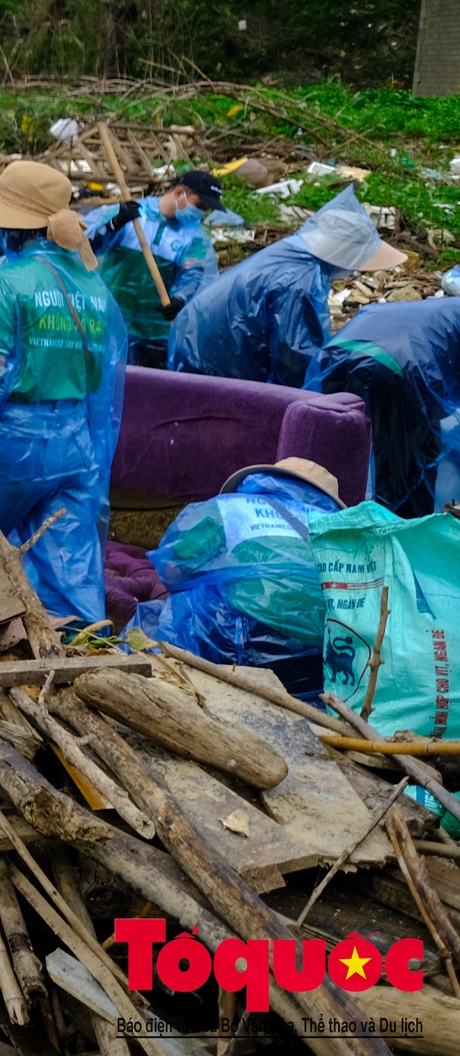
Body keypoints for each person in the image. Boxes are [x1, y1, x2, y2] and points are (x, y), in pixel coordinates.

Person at [0, 161, 128, 626]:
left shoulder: (5, 283)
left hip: (8, 449)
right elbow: (101, 385)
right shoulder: (93, 289)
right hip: (76, 449)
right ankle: (88, 668)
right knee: (73, 584)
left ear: (11, 227)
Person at [126, 458, 340, 700]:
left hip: (235, 646)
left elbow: (175, 566)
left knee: (167, 614)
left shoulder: (231, 508)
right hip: (318, 662)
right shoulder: (341, 533)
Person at [169, 187, 403, 387]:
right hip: (209, 365)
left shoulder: (293, 255)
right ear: (344, 253)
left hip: (199, 347)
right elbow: (295, 358)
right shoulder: (300, 280)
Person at [304, 298, 460, 517]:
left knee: (343, 440)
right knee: (412, 457)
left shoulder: (443, 307)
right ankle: (403, 527)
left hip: (337, 354)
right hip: (397, 366)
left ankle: (333, 511)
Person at [84, 169, 223, 368]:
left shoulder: (194, 237)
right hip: (110, 322)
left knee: (150, 391)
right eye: (199, 205)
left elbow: (194, 273)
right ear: (179, 193)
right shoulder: (131, 215)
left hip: (157, 332)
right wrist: (114, 224)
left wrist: (179, 299)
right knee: (108, 385)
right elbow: (86, 247)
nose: (201, 213)